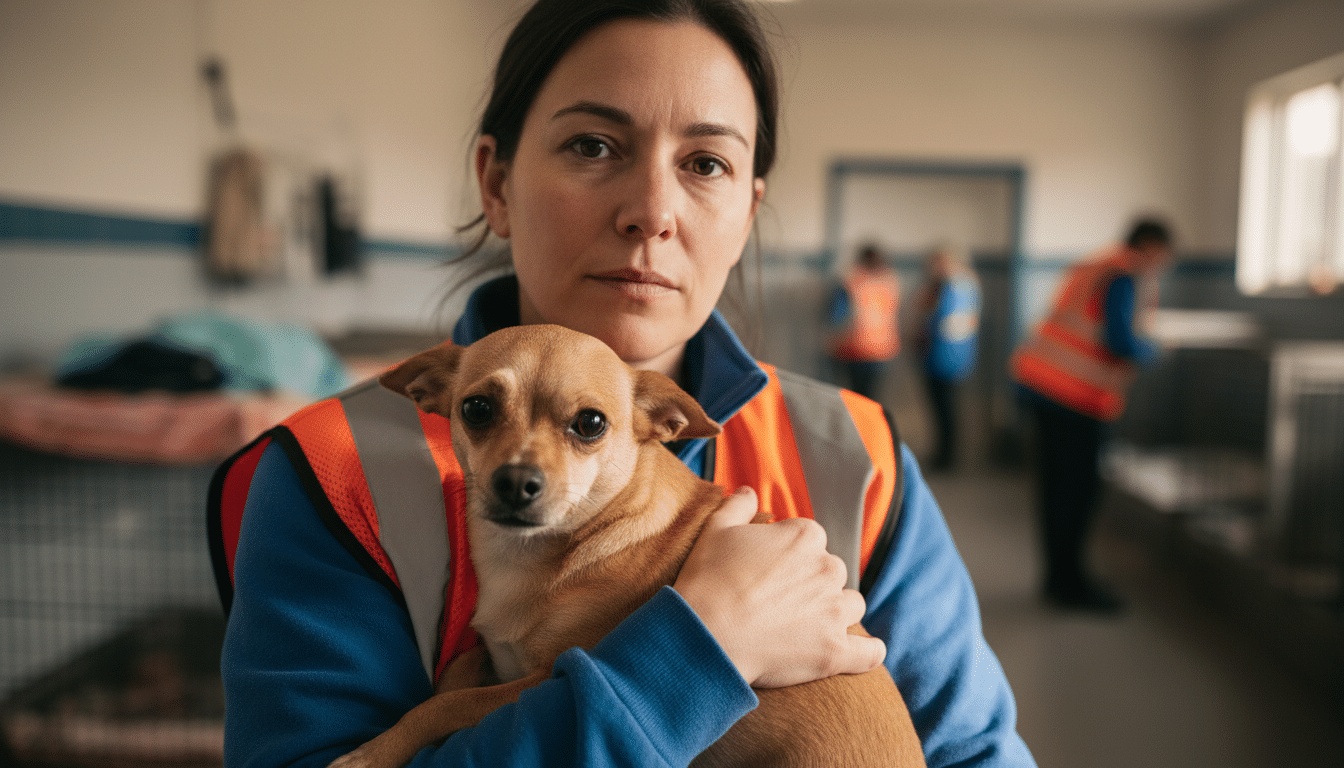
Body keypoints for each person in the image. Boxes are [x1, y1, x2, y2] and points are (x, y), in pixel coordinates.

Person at [210, 1, 1037, 766]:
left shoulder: (857, 459)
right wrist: (697, 656)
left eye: (705, 163)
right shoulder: (330, 473)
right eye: (593, 146)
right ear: (496, 184)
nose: (652, 210)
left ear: (747, 215)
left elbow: (974, 751)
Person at [1010, 218, 1172, 614]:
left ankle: (1058, 577)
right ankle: (1071, 583)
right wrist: (1157, 349)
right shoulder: (1124, 274)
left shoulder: (1094, 266)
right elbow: (1119, 341)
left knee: (1055, 491)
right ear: (1151, 246)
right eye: (1163, 256)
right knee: (1077, 494)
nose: (1162, 265)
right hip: (1074, 397)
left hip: (1042, 384)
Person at [912, 245, 981, 471]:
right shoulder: (969, 285)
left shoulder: (949, 287)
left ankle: (946, 457)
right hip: (957, 357)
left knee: (944, 409)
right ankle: (945, 454)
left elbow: (933, 320)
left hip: (942, 356)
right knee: (945, 408)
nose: (932, 269)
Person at [827, 244, 902, 401]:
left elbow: (836, 317)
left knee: (856, 400)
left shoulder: (851, 282)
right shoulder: (890, 282)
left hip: (855, 349)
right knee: (873, 401)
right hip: (883, 350)